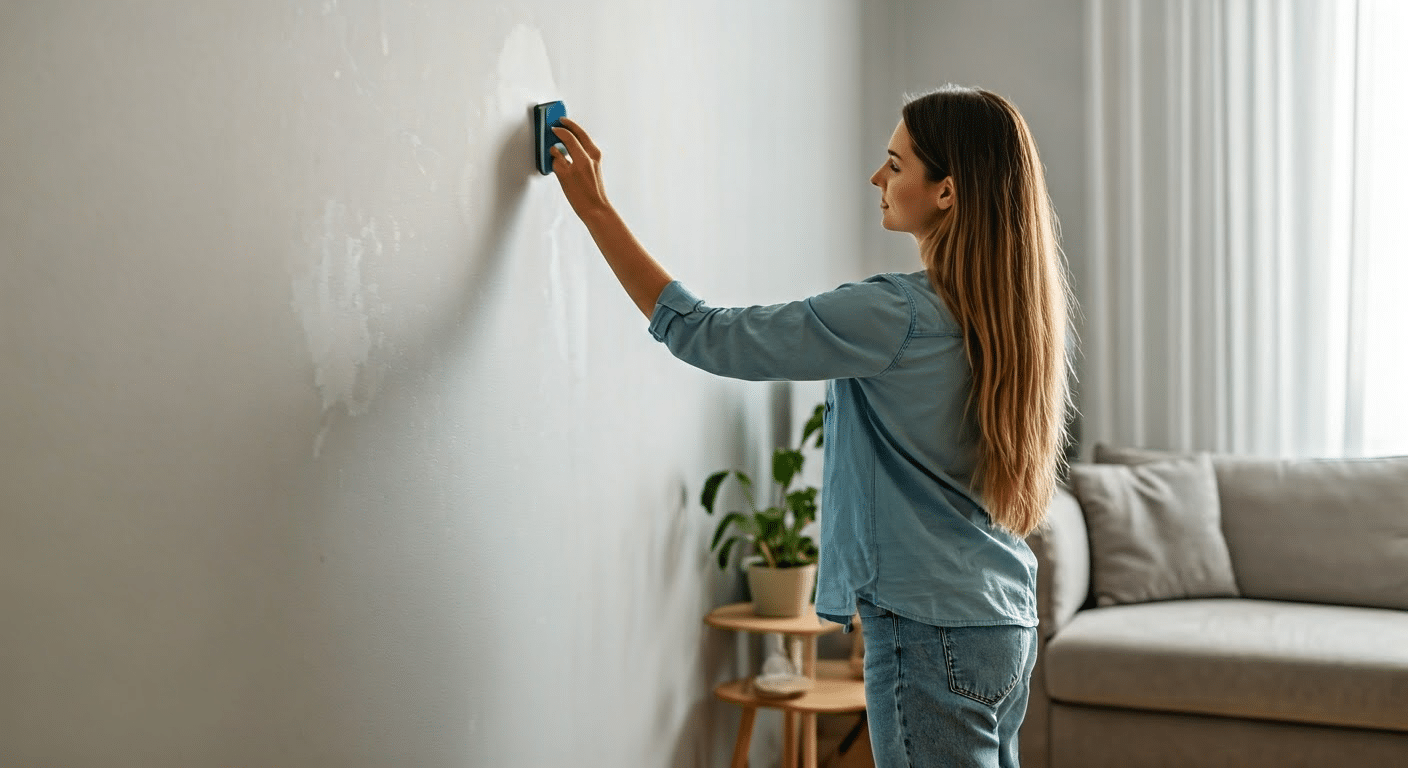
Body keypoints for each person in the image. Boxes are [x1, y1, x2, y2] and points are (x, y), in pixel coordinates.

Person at [548, 85, 1071, 768]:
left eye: (895, 163)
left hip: (931, 632)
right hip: (1003, 620)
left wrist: (595, 210)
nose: (876, 178)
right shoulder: (1013, 318)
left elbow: (709, 336)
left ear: (946, 192)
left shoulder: (897, 315)